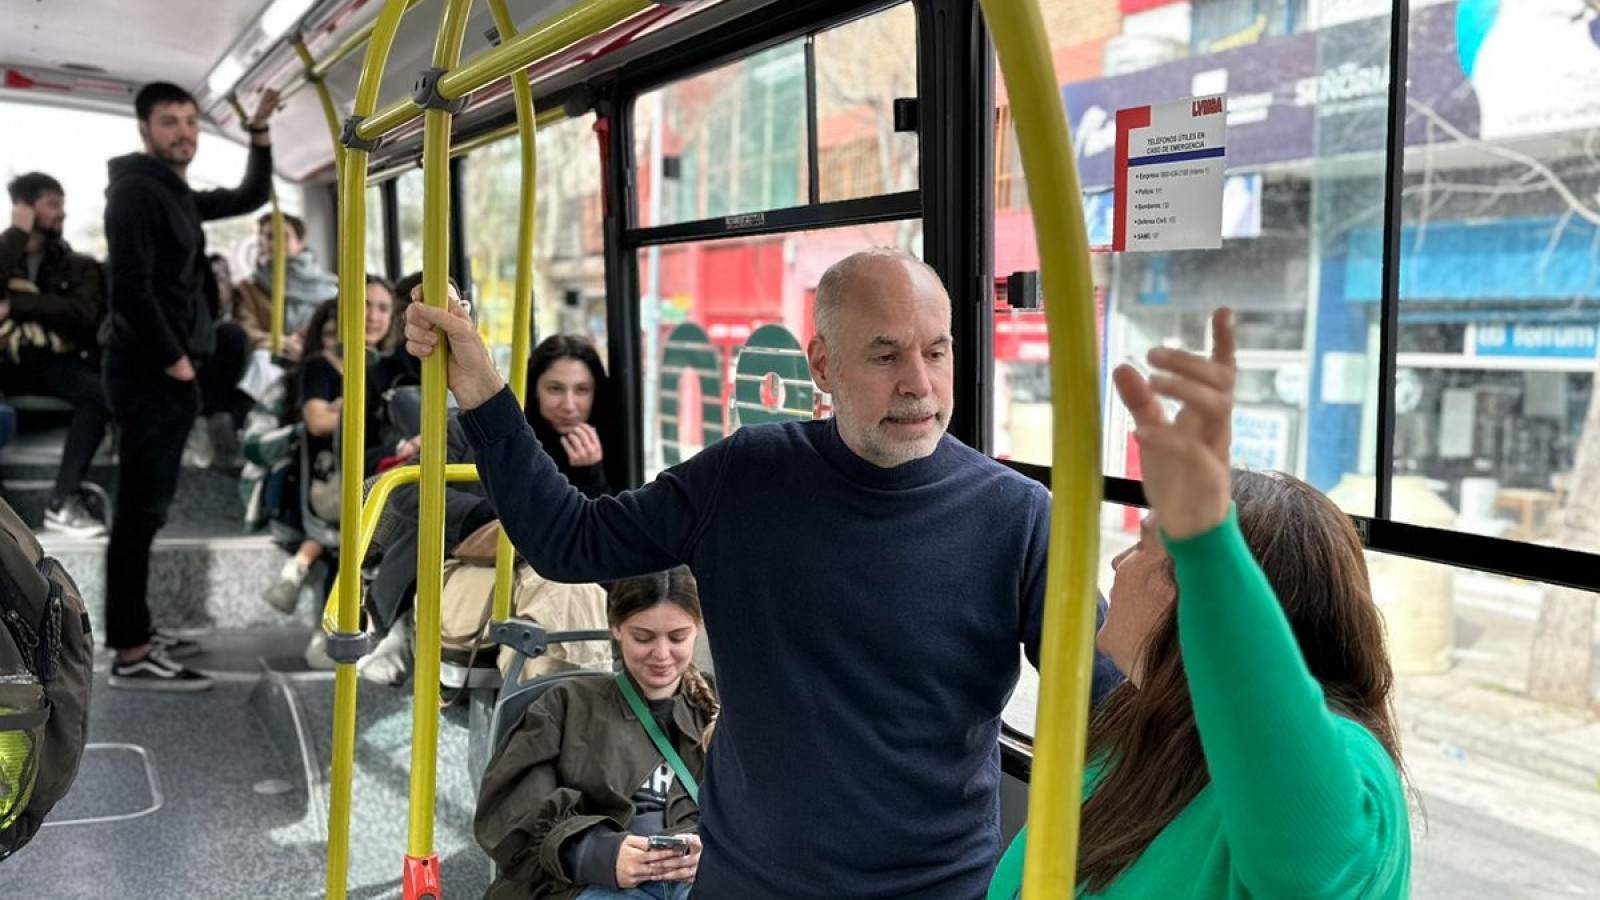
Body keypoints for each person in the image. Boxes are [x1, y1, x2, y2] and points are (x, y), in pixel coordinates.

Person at [406, 247, 1122, 899]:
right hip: (748, 877)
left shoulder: (1020, 519)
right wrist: (482, 387)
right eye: (884, 356)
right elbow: (569, 540)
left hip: (935, 886)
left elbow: (1111, 710)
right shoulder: (745, 477)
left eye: (936, 352)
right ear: (821, 366)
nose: (919, 384)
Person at [987, 309, 1410, 899]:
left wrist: (1210, 549)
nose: (1116, 566)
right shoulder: (1146, 728)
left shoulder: (1350, 771)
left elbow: (1314, 867)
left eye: (1142, 549)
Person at [101, 81, 278, 692]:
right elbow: (130, 290)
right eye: (170, 122)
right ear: (144, 129)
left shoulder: (172, 191)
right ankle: (130, 649)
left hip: (167, 370)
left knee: (148, 512)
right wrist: (177, 360)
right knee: (137, 513)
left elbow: (252, 193)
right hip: (151, 373)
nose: (184, 133)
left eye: (191, 122)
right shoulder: (134, 194)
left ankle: (139, 631)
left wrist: (257, 130)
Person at [357, 332, 621, 685]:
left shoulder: (607, 449)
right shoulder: (471, 432)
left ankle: (553, 714)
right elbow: (408, 492)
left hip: (544, 579)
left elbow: (601, 544)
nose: (569, 404)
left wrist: (592, 479)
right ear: (533, 387)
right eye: (555, 389)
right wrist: (491, 521)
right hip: (462, 564)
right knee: (565, 594)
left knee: (559, 597)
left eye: (582, 391)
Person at [476, 567, 717, 900]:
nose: (661, 655)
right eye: (643, 637)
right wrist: (592, 853)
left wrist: (718, 852)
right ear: (616, 628)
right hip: (590, 884)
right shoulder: (567, 705)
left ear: (698, 628)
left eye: (677, 637)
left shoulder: (722, 707)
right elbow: (511, 813)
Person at [261, 277, 395, 612]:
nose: (374, 316)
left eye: (383, 308)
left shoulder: (388, 366)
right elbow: (318, 421)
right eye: (366, 305)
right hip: (334, 472)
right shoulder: (322, 366)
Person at [0, 172, 111, 537]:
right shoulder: (6, 254)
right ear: (25, 209)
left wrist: (14, 304)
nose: (62, 213)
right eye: (52, 204)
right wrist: (16, 235)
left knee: (97, 393)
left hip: (51, 359)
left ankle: (63, 500)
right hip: (6, 357)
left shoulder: (76, 264)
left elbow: (81, 313)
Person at [232, 211, 339, 362]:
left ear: (301, 242)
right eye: (268, 237)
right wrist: (284, 343)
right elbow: (247, 330)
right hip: (272, 356)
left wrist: (308, 341)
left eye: (283, 237)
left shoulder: (330, 287)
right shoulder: (247, 289)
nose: (274, 243)